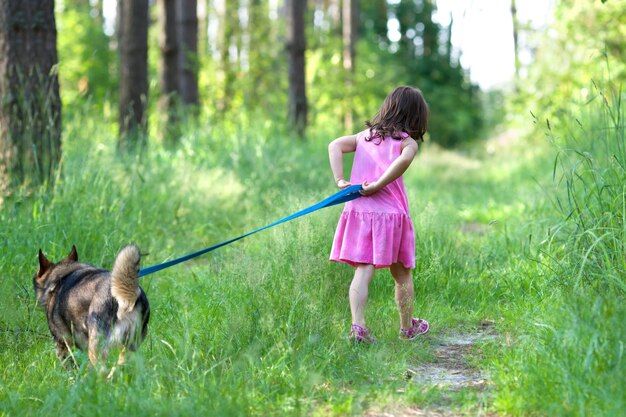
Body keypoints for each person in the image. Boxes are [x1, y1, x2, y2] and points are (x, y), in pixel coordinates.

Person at [328, 86, 430, 343]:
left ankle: (358, 327)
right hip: (390, 216)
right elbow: (402, 162)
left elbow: (334, 145)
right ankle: (407, 329)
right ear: (415, 116)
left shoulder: (365, 136)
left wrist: (341, 180)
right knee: (402, 273)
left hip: (360, 212)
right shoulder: (407, 143)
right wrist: (378, 185)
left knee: (363, 270)